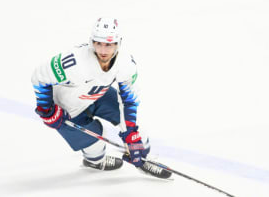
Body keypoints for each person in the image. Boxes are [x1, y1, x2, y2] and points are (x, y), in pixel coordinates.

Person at [31, 17, 171, 179]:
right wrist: (47, 110)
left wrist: (131, 133)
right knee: (96, 147)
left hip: (97, 96)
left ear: (118, 43)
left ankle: (142, 158)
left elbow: (128, 100)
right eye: (99, 43)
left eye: (109, 44)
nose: (103, 51)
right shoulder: (74, 61)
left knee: (138, 130)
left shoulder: (126, 63)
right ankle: (94, 161)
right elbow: (40, 76)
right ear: (92, 42)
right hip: (68, 107)